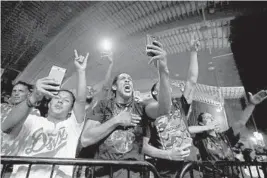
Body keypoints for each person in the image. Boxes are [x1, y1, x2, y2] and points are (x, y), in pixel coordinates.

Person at [79, 40, 171, 178]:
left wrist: (163, 70)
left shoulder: (141, 108)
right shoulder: (103, 106)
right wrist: (116, 120)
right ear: (115, 87)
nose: (128, 80)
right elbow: (86, 139)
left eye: (130, 79)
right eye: (123, 79)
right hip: (104, 174)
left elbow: (164, 109)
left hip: (134, 174)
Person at [1, 50, 89, 178]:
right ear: (48, 103)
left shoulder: (73, 126)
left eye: (66, 100)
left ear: (71, 109)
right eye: (57, 97)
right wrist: (34, 96)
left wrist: (81, 71)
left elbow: (81, 100)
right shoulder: (32, 120)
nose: (60, 101)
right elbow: (6, 127)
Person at [143, 34, 200, 178]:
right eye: (163, 85)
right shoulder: (149, 112)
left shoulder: (180, 105)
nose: (168, 87)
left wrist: (193, 52)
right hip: (167, 171)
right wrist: (168, 154)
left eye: (169, 85)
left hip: (191, 166)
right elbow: (144, 147)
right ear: (155, 92)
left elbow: (192, 81)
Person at [193, 90, 267, 178]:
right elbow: (188, 130)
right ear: (201, 123)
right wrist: (207, 127)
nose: (211, 119)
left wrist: (251, 104)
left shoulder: (225, 136)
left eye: (212, 117)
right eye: (207, 118)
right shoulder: (201, 139)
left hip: (233, 175)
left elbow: (241, 122)